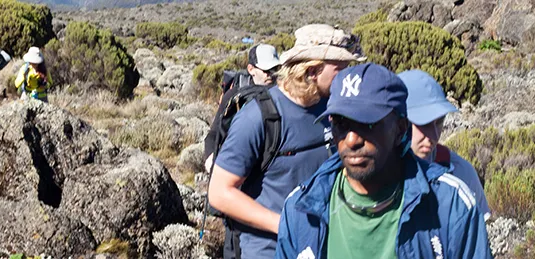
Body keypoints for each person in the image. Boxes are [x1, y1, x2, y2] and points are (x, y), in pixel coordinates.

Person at [275, 63, 491, 259]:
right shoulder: (301, 210)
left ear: (400, 129)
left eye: (367, 124)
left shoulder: (449, 206)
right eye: (341, 123)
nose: (351, 140)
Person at [206, 24, 364, 259]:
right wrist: (285, 224)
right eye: (339, 69)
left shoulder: (334, 108)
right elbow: (219, 193)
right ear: (312, 72)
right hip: (268, 248)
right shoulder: (259, 117)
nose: (347, 77)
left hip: (324, 243)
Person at [399, 69, 491, 220]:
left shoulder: (460, 173)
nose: (434, 136)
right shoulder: (368, 174)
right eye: (424, 123)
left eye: (439, 122)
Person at [202, 44, 283, 159]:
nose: (271, 74)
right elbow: (214, 134)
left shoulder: (283, 93)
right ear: (251, 69)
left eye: (275, 69)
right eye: (266, 70)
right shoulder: (234, 95)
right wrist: (210, 160)